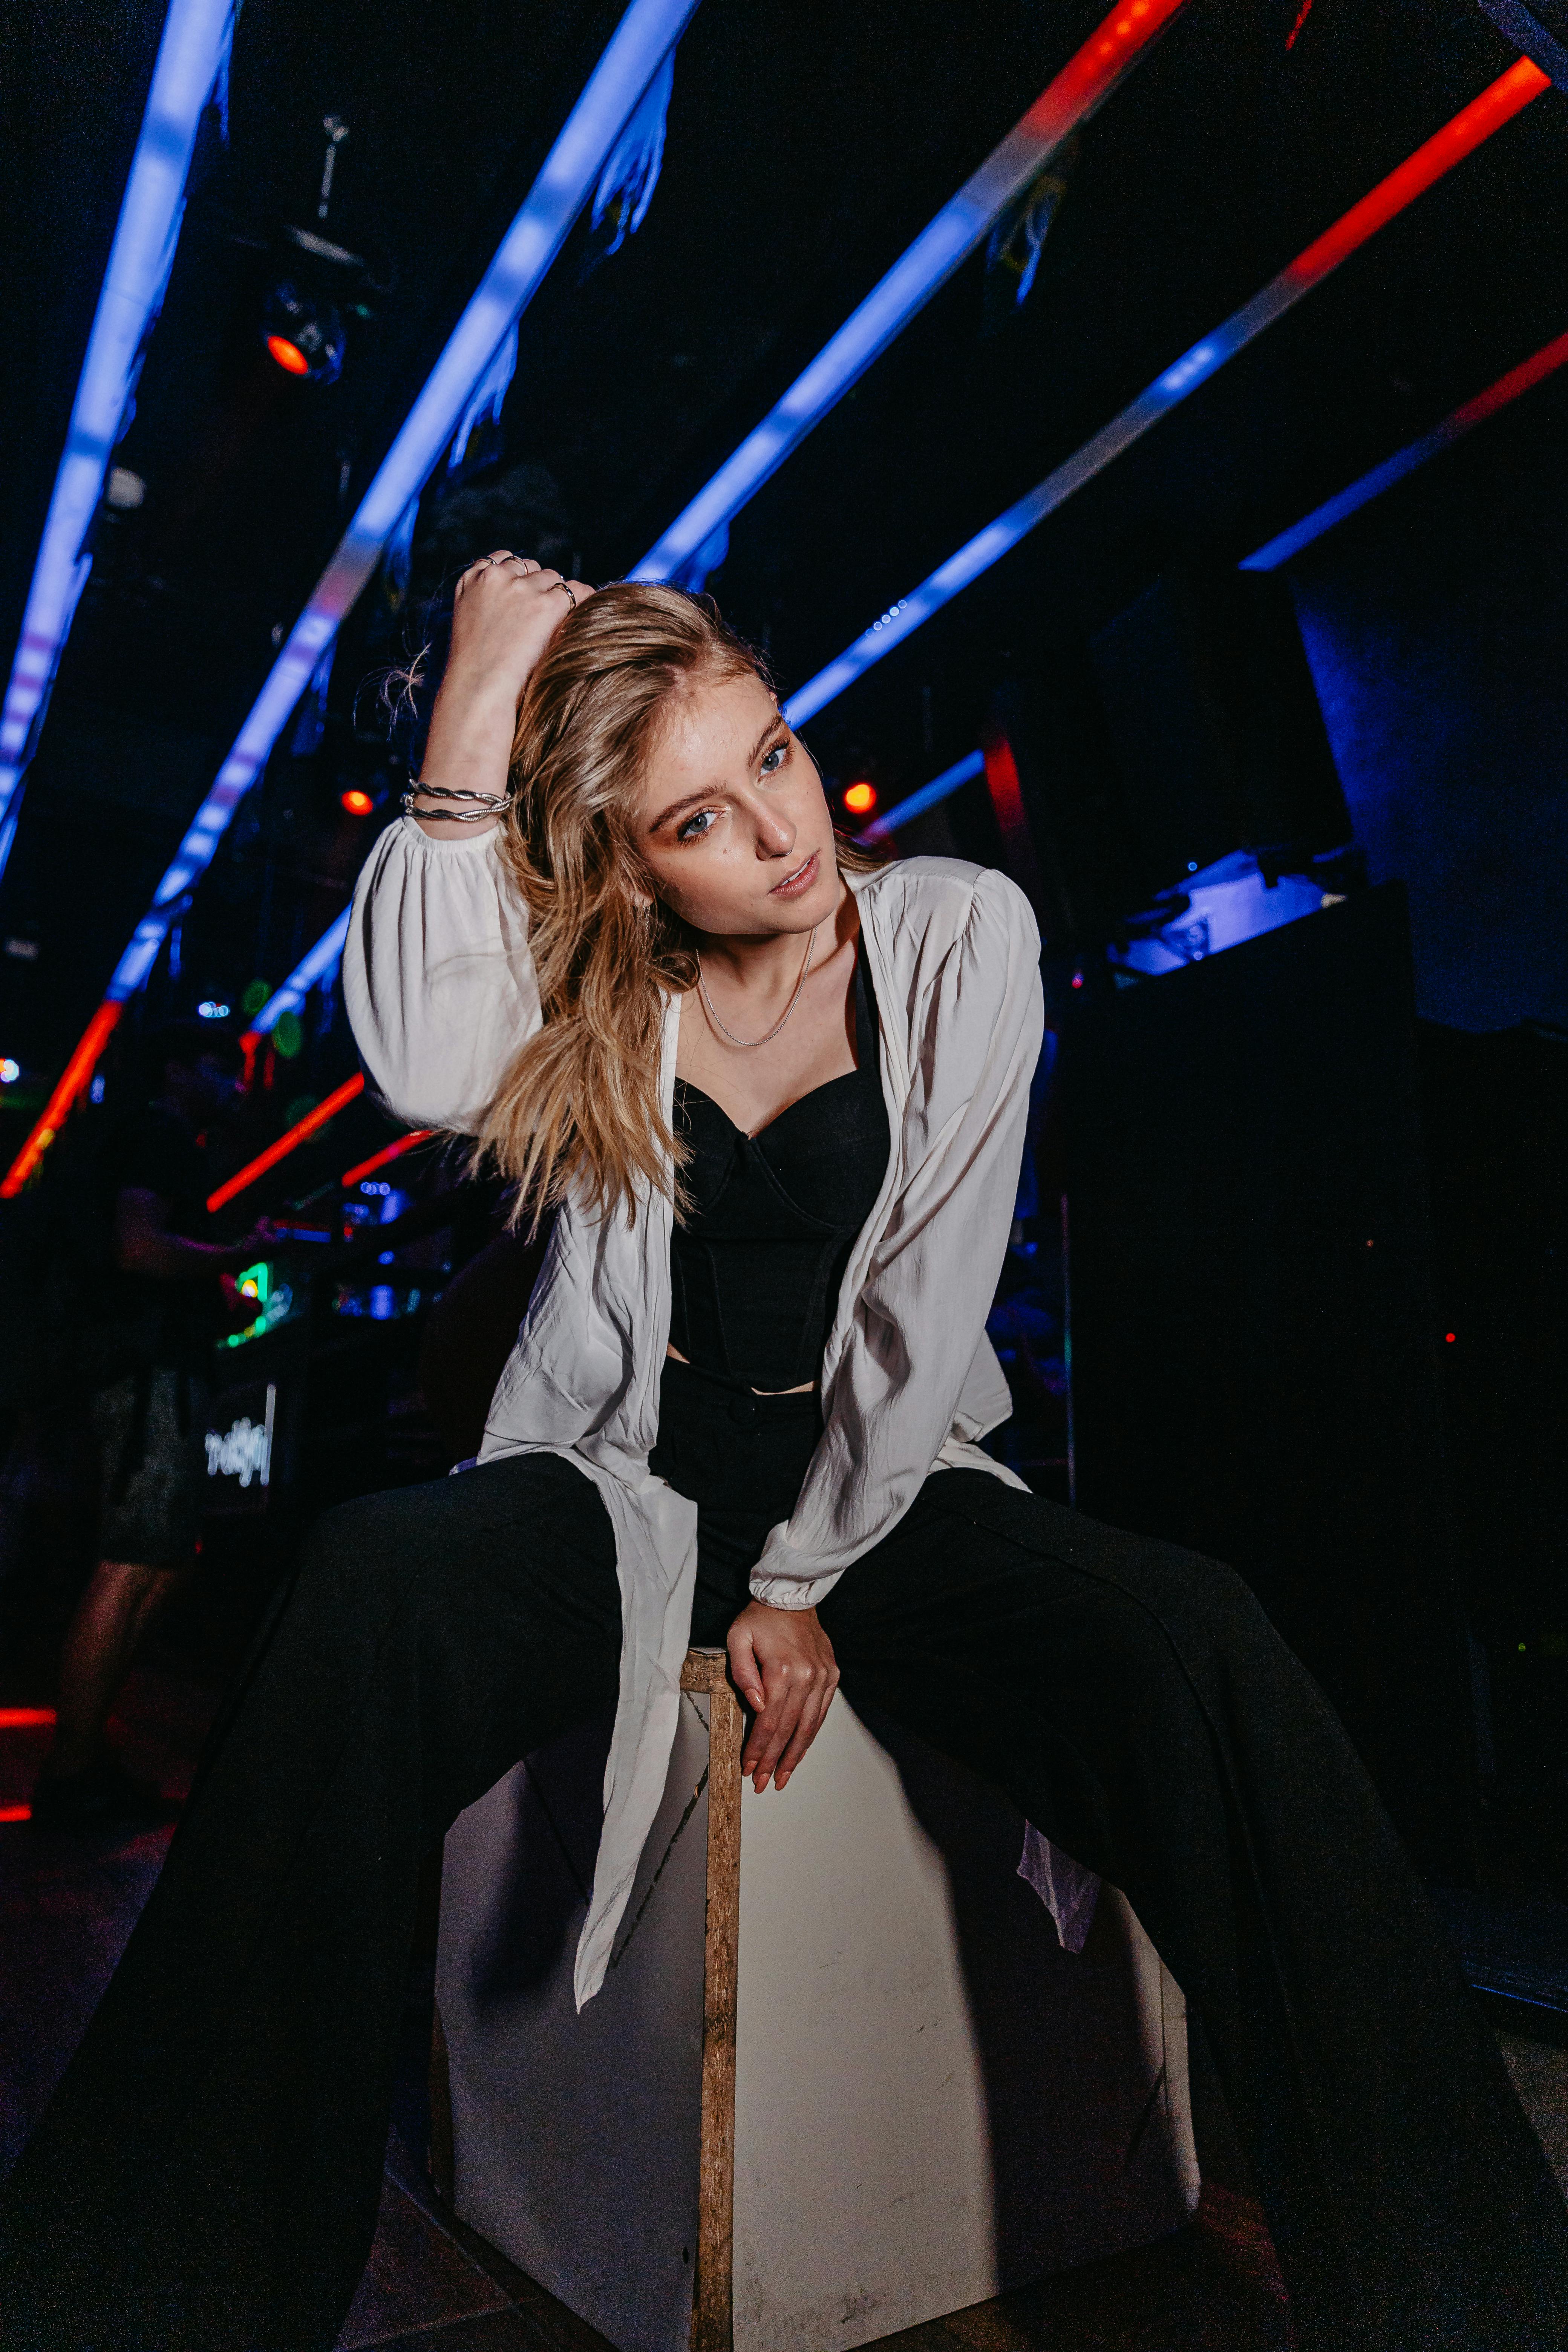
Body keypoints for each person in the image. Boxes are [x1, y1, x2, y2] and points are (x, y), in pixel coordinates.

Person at [1, 563, 1563, 2352]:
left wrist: (804, 1580)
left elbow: (923, 1301)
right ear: (632, 860)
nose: (779, 832)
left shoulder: (953, 928)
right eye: (700, 817)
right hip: (624, 1475)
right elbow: (429, 1067)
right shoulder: (601, 986)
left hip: (883, 1488)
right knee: (367, 1576)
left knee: (1199, 1636)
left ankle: (1476, 2300)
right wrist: (473, 712)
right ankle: (131, 2300)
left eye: (777, 754)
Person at [30, 1021, 271, 1828]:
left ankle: (83, 1758)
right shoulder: (163, 1137)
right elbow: (140, 1250)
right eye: (220, 1069)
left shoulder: (140, 1138)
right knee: (135, 1561)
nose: (235, 1086)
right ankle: (71, 1775)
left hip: (130, 1365)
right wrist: (232, 1254)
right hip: (148, 1371)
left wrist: (212, 1287)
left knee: (158, 1559)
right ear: (177, 1072)